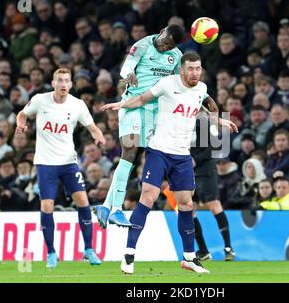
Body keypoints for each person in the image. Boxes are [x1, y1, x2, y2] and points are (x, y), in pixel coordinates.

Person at [100, 51, 237, 274]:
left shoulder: (201, 89)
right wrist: (122, 105)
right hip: (159, 152)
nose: (195, 73)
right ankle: (128, 255)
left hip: (182, 156)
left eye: (198, 68)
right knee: (148, 197)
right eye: (191, 68)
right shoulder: (167, 83)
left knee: (186, 204)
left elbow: (201, 109)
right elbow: (143, 98)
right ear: (181, 69)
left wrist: (219, 119)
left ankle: (190, 258)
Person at [93, 24, 185, 228]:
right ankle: (117, 210)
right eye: (164, 42)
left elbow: (177, 82)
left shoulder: (176, 55)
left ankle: (106, 207)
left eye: (169, 46)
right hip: (132, 106)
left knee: (132, 160)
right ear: (161, 32)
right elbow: (128, 65)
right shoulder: (143, 44)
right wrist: (129, 74)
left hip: (154, 112)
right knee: (129, 151)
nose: (164, 48)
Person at [15, 68, 105, 268]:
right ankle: (51, 253)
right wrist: (21, 124)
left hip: (68, 162)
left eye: (66, 81)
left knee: (82, 200)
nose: (63, 84)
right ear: (53, 83)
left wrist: (98, 135)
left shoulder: (78, 105)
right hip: (46, 162)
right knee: (47, 205)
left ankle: (89, 249)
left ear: (71, 84)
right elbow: (22, 114)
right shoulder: (39, 100)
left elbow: (92, 126)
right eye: (60, 80)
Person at [191, 111, 236, 262]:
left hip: (204, 168)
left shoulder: (203, 122)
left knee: (214, 205)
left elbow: (213, 147)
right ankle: (203, 250)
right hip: (186, 169)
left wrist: (196, 160)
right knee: (188, 208)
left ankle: (228, 248)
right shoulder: (180, 123)